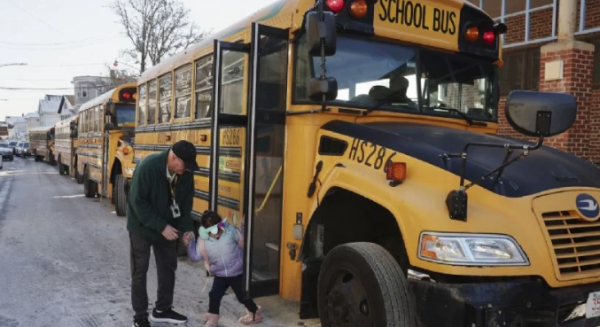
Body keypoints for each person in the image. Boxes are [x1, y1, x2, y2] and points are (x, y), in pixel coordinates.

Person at [127, 140, 199, 327]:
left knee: (168, 267)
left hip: (167, 226)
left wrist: (188, 229)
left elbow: (184, 205)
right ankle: (140, 316)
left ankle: (162, 309)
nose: (187, 170)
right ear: (173, 157)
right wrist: (161, 227)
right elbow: (138, 202)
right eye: (185, 165)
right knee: (140, 269)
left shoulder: (185, 173)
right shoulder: (148, 166)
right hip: (142, 226)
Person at [187, 210, 263, 327]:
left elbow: (242, 238)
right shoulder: (203, 242)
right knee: (214, 295)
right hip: (220, 275)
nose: (218, 232)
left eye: (219, 227)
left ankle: (254, 312)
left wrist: (243, 224)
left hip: (237, 273)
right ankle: (213, 320)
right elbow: (194, 256)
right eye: (213, 230)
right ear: (205, 231)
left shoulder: (230, 231)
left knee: (242, 297)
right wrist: (190, 242)